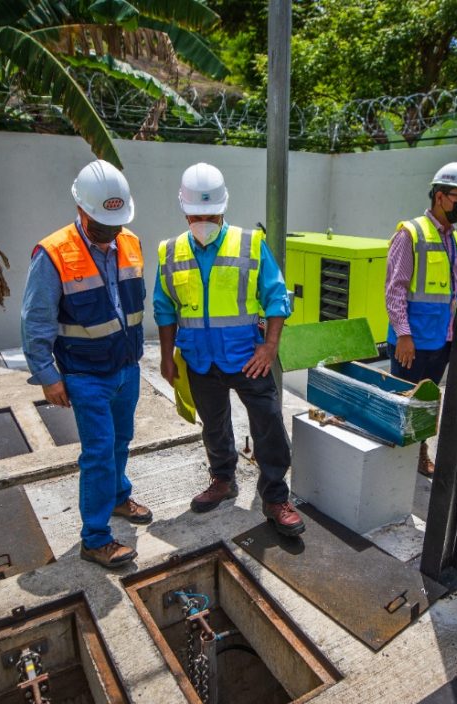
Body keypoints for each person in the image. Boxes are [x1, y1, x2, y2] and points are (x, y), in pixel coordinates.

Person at [155, 162, 302, 536]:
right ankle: (223, 479)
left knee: (268, 424)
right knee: (214, 425)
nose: (203, 219)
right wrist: (166, 355)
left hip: (247, 358)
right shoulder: (169, 251)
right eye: (195, 213)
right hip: (199, 360)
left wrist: (269, 347)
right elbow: (164, 307)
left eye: (210, 212)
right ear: (184, 210)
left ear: (223, 208)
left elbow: (275, 297)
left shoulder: (251, 244)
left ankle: (274, 496)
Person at [22, 160, 153, 569]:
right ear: (81, 210)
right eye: (102, 224)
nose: (110, 232)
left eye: (115, 224)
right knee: (98, 452)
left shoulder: (129, 241)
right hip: (84, 374)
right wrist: (48, 376)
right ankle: (95, 538)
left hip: (126, 367)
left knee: (121, 441)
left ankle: (116, 497)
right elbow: (36, 320)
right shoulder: (53, 253)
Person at [385, 161, 457, 476]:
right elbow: (394, 290)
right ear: (439, 196)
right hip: (413, 341)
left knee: (427, 400)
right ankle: (396, 456)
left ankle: (418, 451)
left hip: (442, 338)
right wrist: (404, 335)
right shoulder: (410, 234)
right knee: (404, 400)